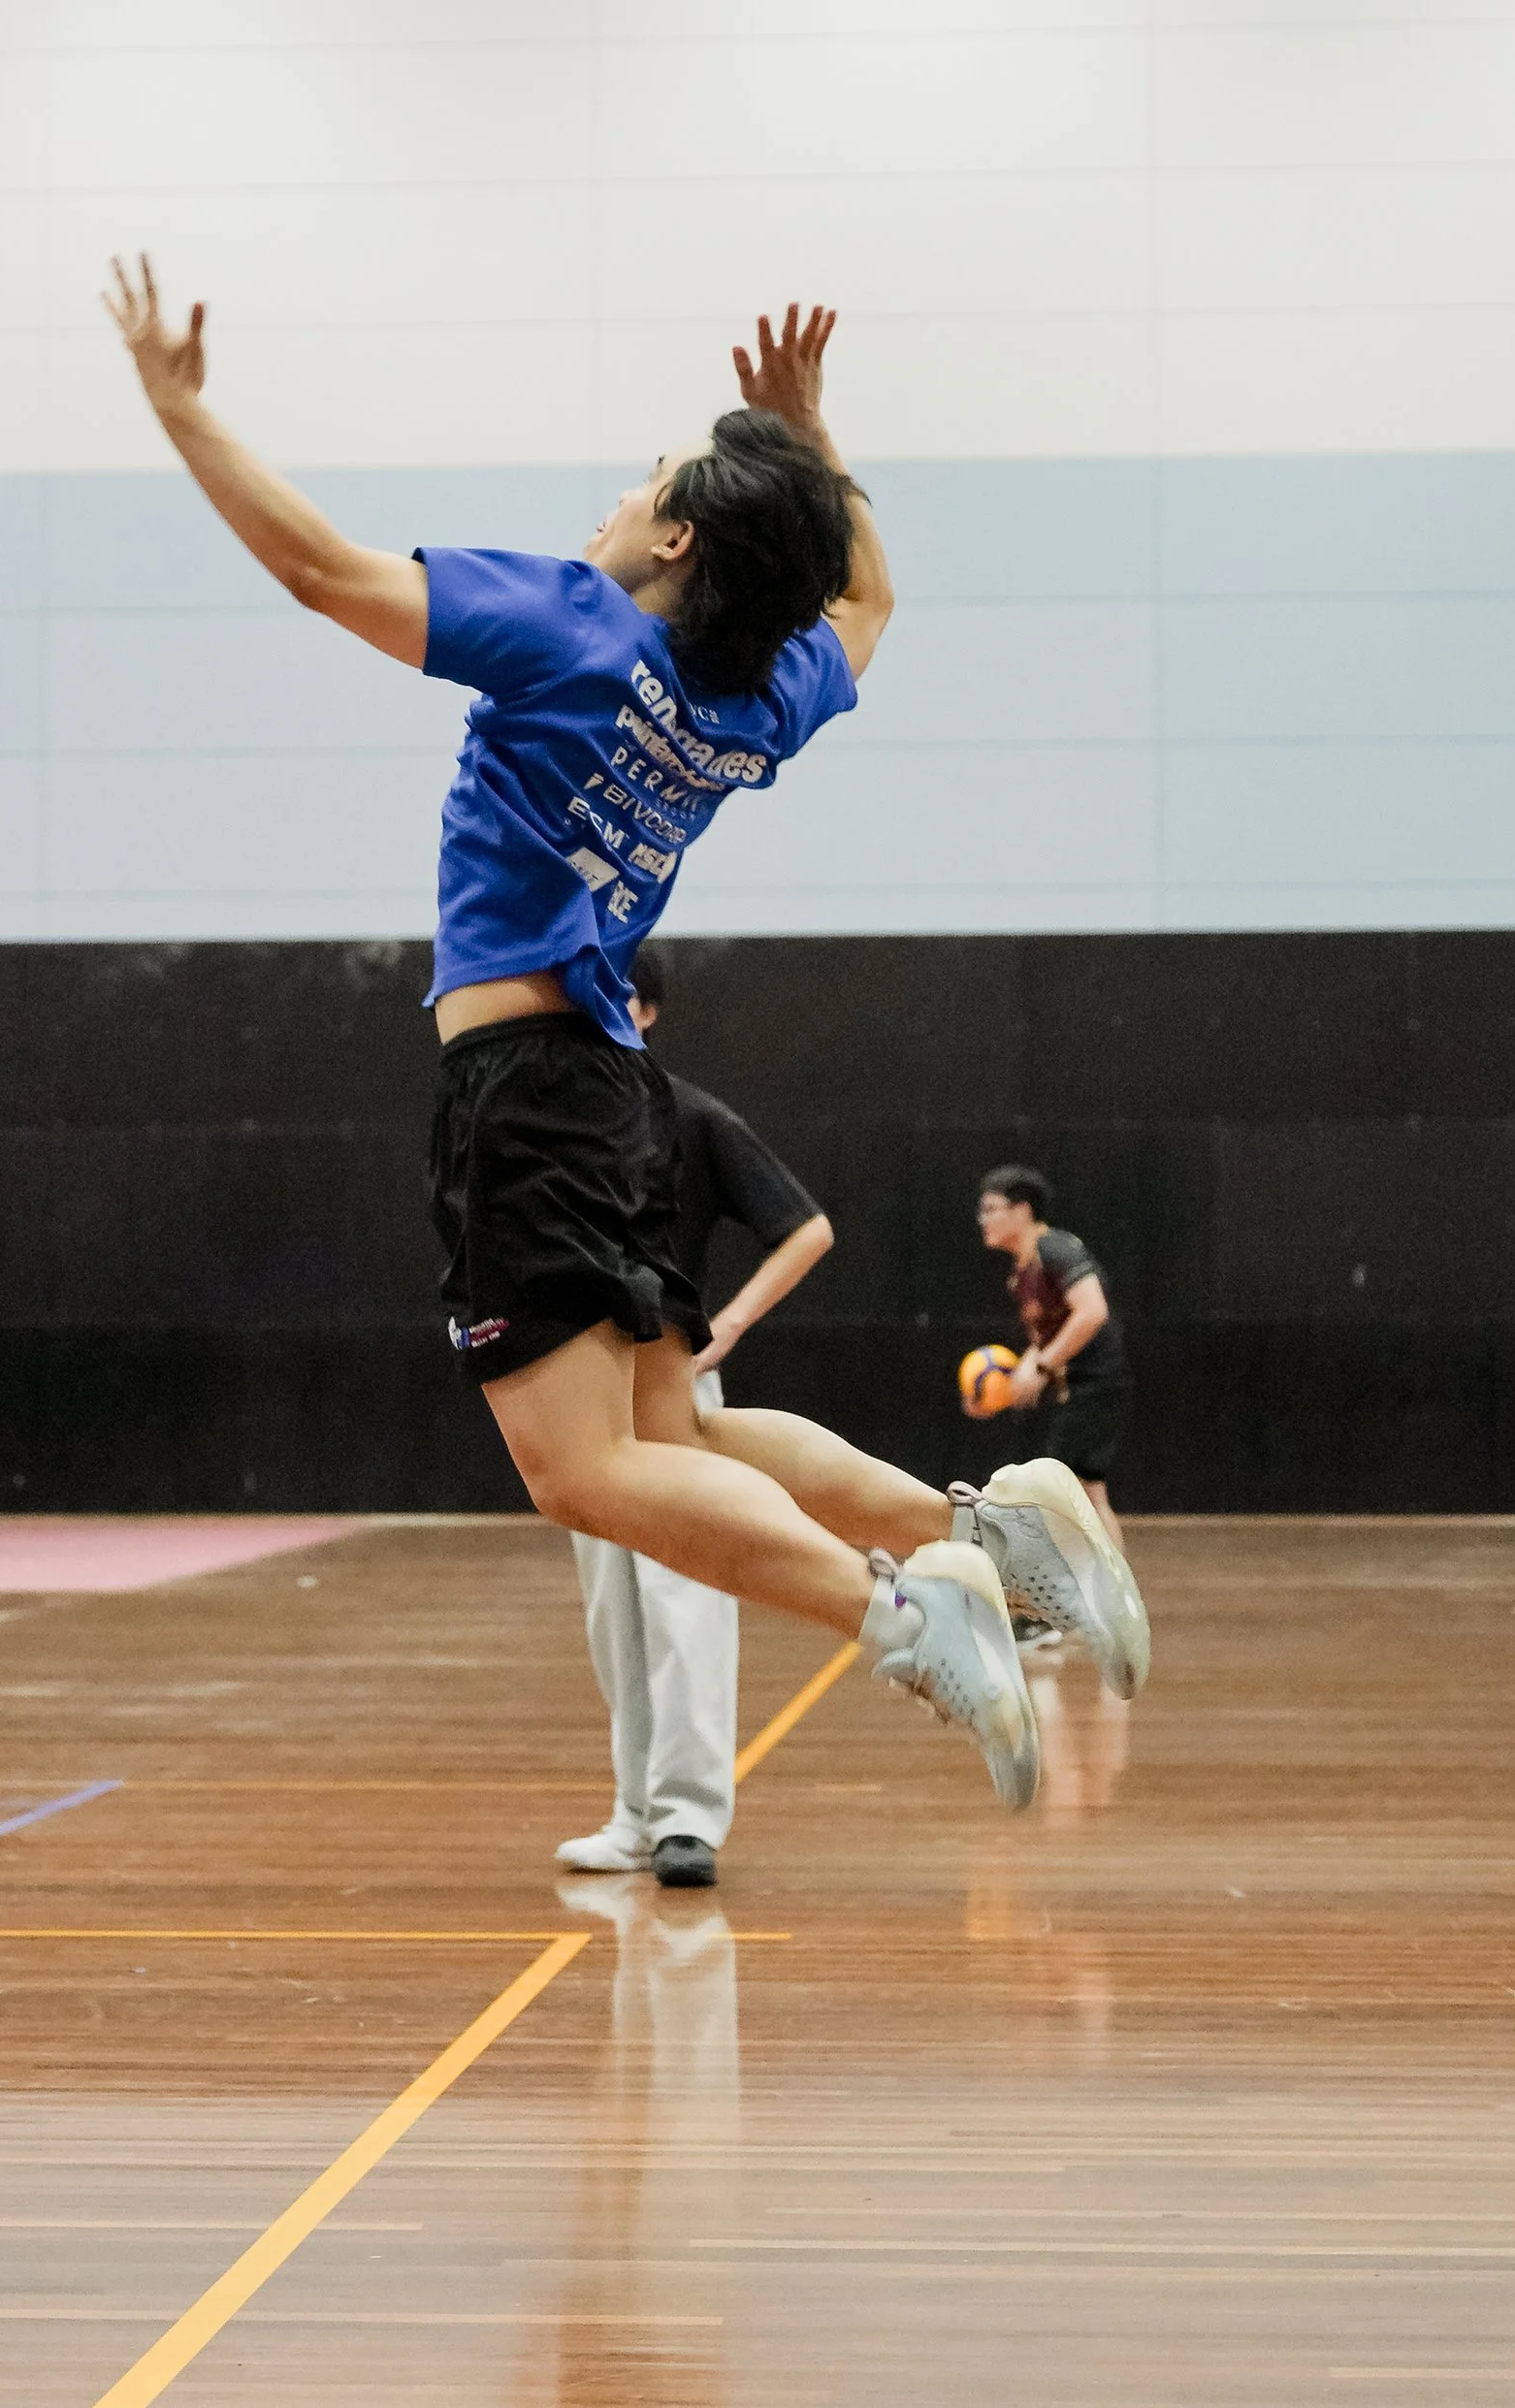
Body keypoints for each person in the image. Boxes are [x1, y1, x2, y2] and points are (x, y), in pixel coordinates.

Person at [105, 266, 1148, 1806]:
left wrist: (180, 409)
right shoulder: (753, 693)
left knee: (581, 1472)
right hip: (607, 1087)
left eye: (642, 481)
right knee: (677, 1432)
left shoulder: (568, 628)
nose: (615, 492)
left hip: (526, 1089)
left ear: (675, 538)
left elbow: (322, 572)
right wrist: (812, 439)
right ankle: (984, 1530)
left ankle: (908, 1607)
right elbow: (866, 600)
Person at [559, 952, 835, 1890]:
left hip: (669, 1391)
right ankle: (633, 1813)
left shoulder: (691, 1116)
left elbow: (806, 1226)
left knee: (685, 1604)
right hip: (580, 1399)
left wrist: (730, 1324)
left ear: (644, 1007)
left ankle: (687, 1819)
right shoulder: (557, 1120)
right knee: (615, 1616)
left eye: (605, 993)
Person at [976, 1167, 1134, 1556]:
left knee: (1051, 1494)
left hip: (1096, 1384)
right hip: (1084, 1388)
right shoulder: (1022, 1274)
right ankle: (1114, 1591)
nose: (984, 1219)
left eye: (992, 1209)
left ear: (1022, 1210)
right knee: (1087, 1492)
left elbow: (1092, 1311)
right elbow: (1043, 1342)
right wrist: (1004, 1387)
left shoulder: (1056, 1249)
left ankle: (1083, 1591)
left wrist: (1042, 1367)